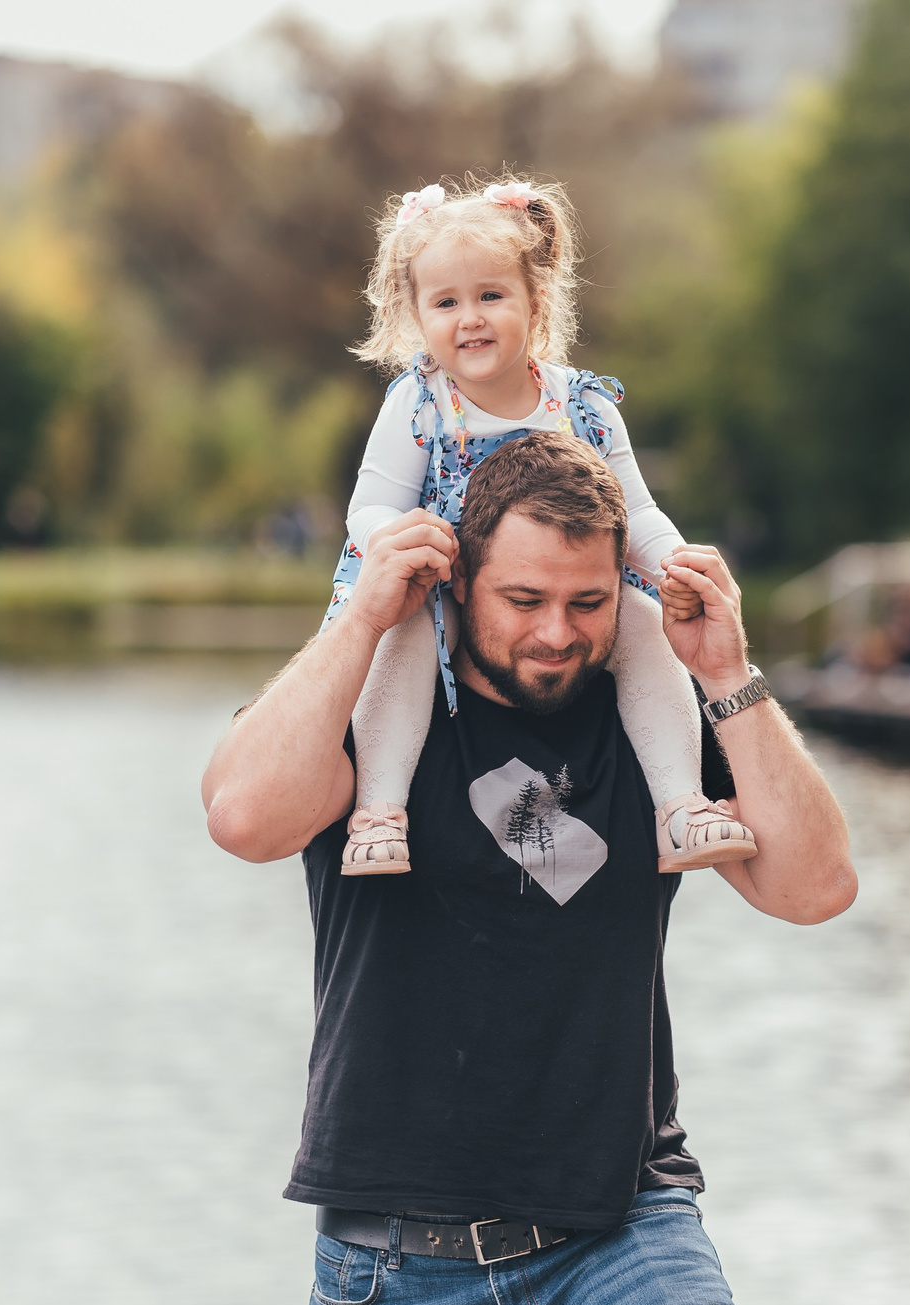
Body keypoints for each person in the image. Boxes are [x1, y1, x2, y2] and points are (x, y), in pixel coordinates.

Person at [201, 431, 858, 1305]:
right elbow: (241, 816)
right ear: (455, 588)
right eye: (523, 601)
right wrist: (361, 618)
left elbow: (818, 885)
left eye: (586, 603)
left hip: (621, 1223)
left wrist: (725, 672)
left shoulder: (647, 731)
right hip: (403, 1270)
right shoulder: (376, 732)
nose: (558, 633)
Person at [321, 173, 754, 880]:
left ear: (535, 299)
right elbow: (368, 506)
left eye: (491, 295)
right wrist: (401, 540)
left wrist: (673, 561)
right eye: (446, 302)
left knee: (643, 627)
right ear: (417, 315)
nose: (471, 318)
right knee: (403, 638)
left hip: (553, 593)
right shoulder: (420, 404)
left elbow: (635, 509)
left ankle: (681, 806)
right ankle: (378, 812)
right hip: (441, 580)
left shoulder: (581, 405)